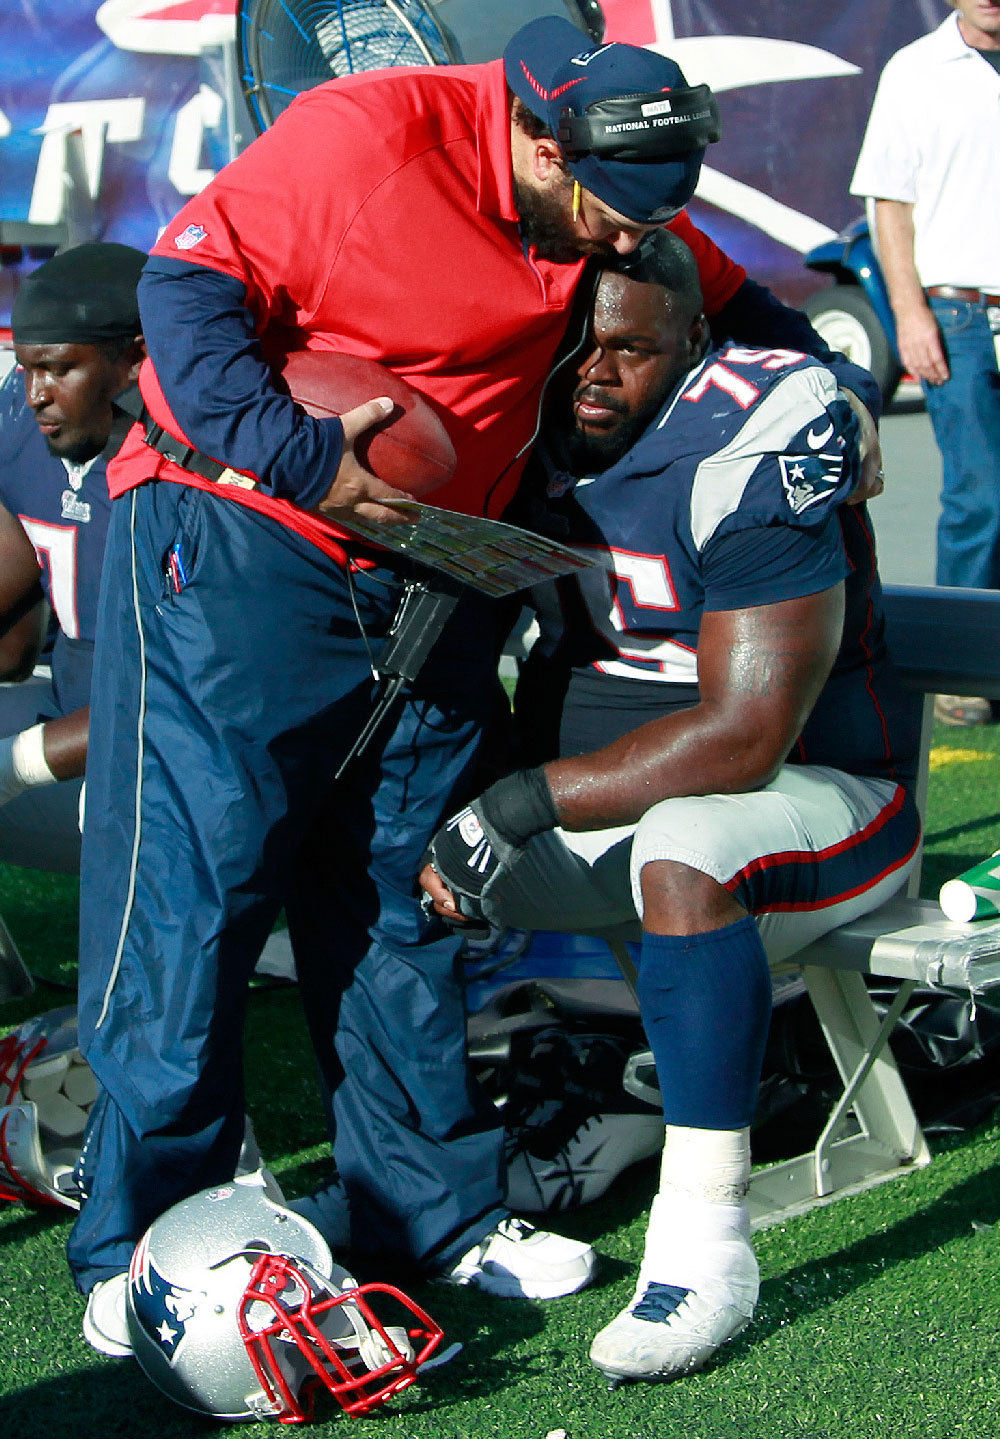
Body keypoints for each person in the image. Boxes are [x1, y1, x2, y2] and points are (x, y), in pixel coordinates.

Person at [72, 16, 881, 1355]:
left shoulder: (619, 198)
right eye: (609, 214)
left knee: (406, 888)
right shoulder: (367, 138)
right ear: (540, 137)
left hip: (437, 566)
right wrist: (295, 455)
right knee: (198, 891)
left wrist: (836, 393)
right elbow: (180, 293)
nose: (628, 241)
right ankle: (141, 1233)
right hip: (241, 544)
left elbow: (733, 301)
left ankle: (426, 1208)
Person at [421, 229, 922, 1385]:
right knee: (383, 840)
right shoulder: (521, 413)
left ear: (695, 345)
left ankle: (701, 1240)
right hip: (608, 814)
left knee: (686, 847)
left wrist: (512, 802)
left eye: (630, 350)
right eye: (575, 345)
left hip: (826, 799)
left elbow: (746, 737)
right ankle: (411, 1174)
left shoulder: (753, 433)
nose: (593, 371)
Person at [850, 0, 1000, 726]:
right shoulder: (914, 72)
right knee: (981, 497)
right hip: (960, 314)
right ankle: (964, 671)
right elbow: (890, 206)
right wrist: (910, 314)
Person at [0, 243, 146, 874]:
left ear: (137, 359)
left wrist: (15, 764)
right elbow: (11, 645)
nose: (36, 394)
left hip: (175, 763)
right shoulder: (21, 420)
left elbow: (183, 696)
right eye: (27, 368)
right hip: (74, 724)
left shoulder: (195, 466)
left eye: (58, 368)